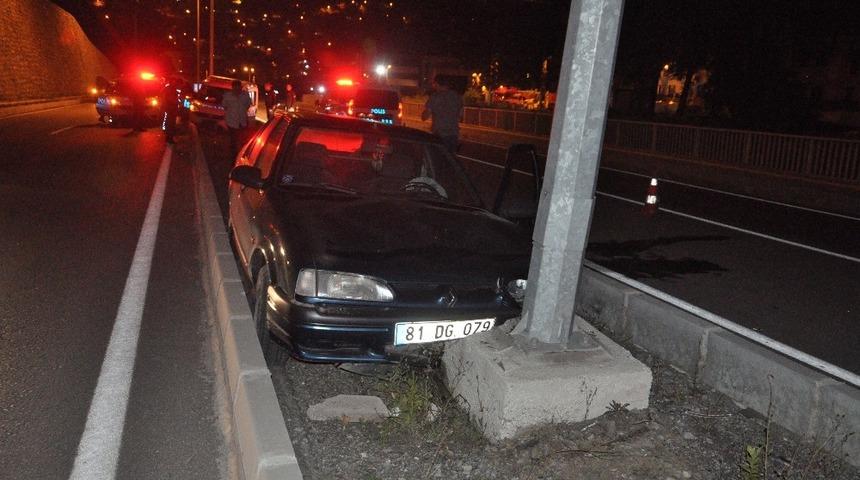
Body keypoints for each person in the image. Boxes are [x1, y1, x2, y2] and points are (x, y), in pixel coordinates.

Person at [421, 75, 463, 155]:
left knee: (439, 159)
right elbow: (461, 117)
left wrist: (424, 113)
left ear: (437, 84)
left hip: (439, 135)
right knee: (451, 159)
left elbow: (425, 117)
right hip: (453, 134)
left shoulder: (434, 97)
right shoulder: (457, 97)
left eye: (434, 84)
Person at [221, 79, 252, 157]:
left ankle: (241, 154)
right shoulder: (228, 96)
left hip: (242, 122)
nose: (237, 90)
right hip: (232, 122)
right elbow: (224, 106)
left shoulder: (245, 95)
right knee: (233, 141)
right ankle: (234, 156)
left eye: (239, 88)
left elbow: (248, 105)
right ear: (233, 88)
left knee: (242, 140)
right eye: (235, 88)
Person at [160, 78, 180, 144]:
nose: (175, 83)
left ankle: (169, 137)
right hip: (170, 108)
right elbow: (170, 99)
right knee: (170, 123)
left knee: (170, 122)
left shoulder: (171, 89)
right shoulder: (170, 89)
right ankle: (169, 138)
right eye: (174, 82)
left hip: (171, 108)